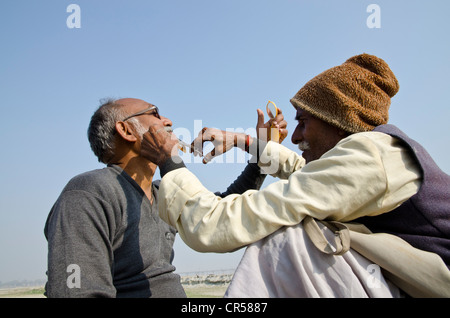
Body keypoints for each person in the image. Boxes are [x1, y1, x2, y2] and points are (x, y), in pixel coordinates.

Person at [140, 53, 450, 297]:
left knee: (289, 237)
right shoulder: (373, 155)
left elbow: (218, 225)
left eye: (304, 122)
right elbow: (308, 174)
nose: (296, 135)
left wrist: (169, 160)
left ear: (337, 120)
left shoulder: (371, 157)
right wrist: (245, 141)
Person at [44, 97, 284, 297]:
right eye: (155, 114)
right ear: (126, 130)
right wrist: (168, 158)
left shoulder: (162, 194)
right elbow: (76, 291)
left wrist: (261, 151)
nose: (168, 120)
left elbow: (219, 213)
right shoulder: (87, 193)